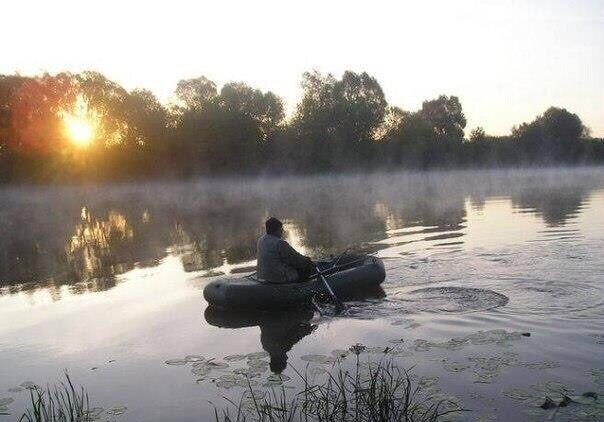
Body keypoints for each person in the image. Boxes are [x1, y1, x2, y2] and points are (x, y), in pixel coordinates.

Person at [256, 217, 314, 283]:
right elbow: (295, 259)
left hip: (262, 276)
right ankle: (302, 287)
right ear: (277, 230)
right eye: (281, 229)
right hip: (278, 277)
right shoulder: (280, 243)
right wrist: (307, 260)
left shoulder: (260, 240)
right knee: (305, 266)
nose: (282, 231)